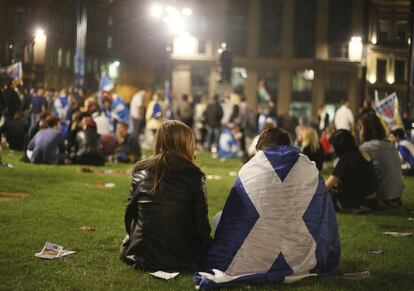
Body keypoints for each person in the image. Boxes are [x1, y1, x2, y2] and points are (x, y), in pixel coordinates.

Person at [195, 127, 339, 289]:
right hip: (297, 249)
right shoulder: (308, 167)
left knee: (219, 218)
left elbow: (234, 216)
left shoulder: (251, 168)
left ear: (262, 148)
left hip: (255, 249)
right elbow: (320, 213)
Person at [120, 120, 211, 271]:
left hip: (140, 254)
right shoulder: (195, 177)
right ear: (186, 144)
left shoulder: (141, 171)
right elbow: (201, 229)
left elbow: (130, 217)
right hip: (183, 258)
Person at [359, 113, 404, 209]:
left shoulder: (365, 147)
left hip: (381, 199)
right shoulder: (391, 146)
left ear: (366, 130)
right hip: (396, 198)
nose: (359, 131)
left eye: (360, 128)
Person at [325, 129, 378, 211]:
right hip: (372, 200)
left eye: (332, 145)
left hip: (354, 201)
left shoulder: (345, 159)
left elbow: (327, 186)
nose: (331, 148)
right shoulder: (364, 153)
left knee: (323, 194)